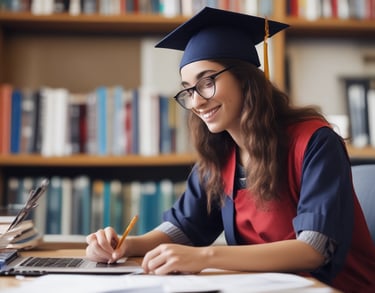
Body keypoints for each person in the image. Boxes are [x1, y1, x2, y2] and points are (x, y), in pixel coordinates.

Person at [86, 7, 375, 293]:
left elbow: (314, 248)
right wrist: (124, 245)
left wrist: (205, 257)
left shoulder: (314, 142)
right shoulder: (220, 153)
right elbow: (185, 228)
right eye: (188, 90)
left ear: (246, 78)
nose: (197, 102)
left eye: (207, 82)